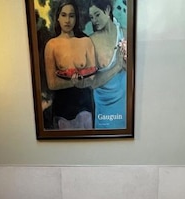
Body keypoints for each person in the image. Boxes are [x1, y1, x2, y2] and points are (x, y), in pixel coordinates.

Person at [43, 1, 97, 130]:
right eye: (64, 15)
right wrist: (73, 82)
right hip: (62, 108)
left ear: (76, 18)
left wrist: (82, 81)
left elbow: (92, 76)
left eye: (71, 16)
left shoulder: (86, 41)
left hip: (85, 106)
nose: (67, 20)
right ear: (58, 17)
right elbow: (52, 83)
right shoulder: (52, 45)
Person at [86, 0, 127, 129]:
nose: (94, 20)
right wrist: (117, 67)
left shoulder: (124, 34)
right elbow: (92, 83)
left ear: (107, 10)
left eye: (97, 15)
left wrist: (125, 65)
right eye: (91, 17)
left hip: (124, 101)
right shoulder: (91, 41)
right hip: (103, 106)